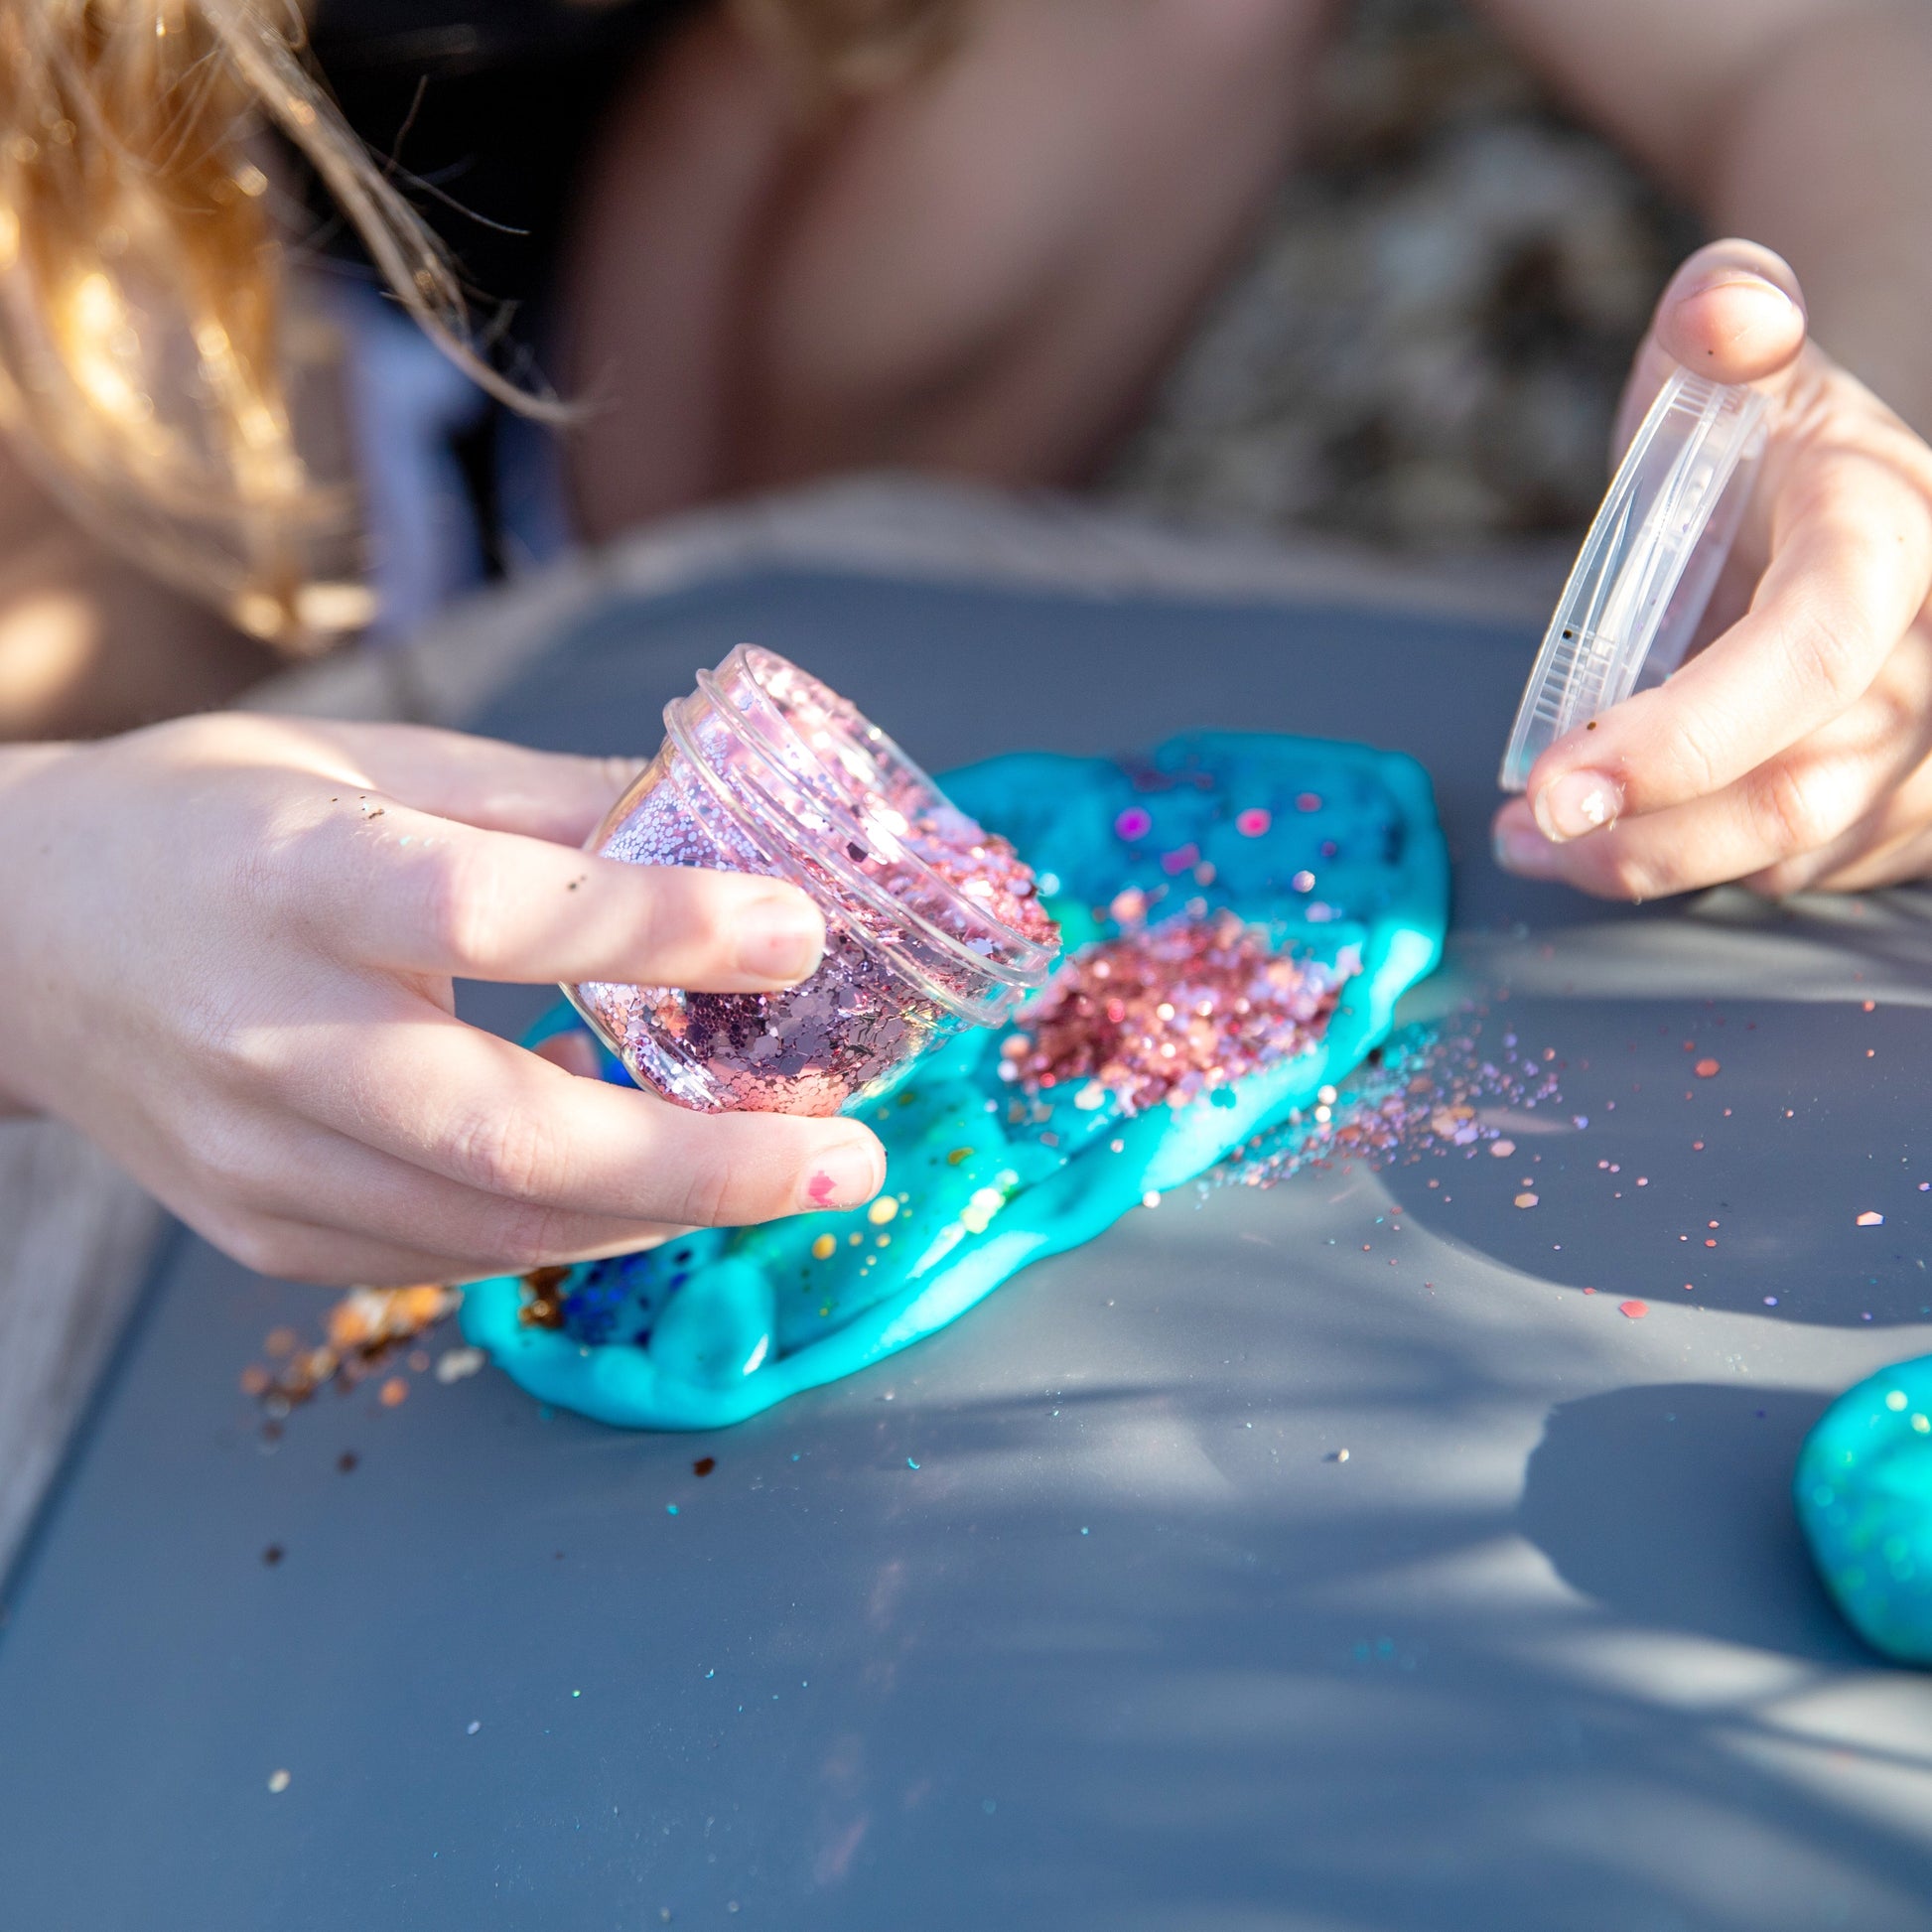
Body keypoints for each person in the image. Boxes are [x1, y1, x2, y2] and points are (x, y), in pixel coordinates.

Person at [0, 0, 1928, 1290]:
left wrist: (1874, 454)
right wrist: (47, 916)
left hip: (619, 373)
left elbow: (1819, 38)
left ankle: (616, 577)